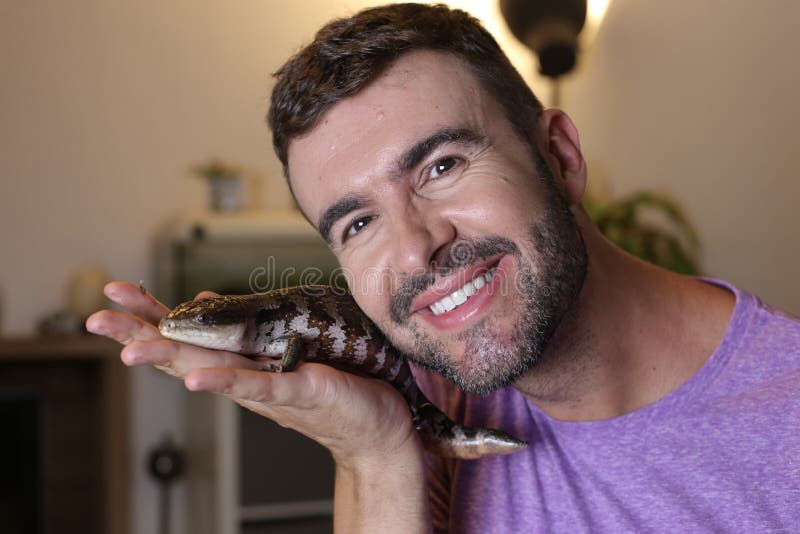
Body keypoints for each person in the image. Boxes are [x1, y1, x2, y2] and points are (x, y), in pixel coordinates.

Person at [87, 3, 800, 532]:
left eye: (442, 165)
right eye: (358, 222)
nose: (413, 249)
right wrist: (375, 456)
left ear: (561, 157)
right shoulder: (411, 393)